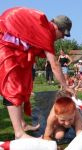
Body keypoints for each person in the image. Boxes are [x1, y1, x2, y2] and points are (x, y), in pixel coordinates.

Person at [0, 7, 75, 139]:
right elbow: (55, 65)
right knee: (13, 87)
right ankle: (19, 133)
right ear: (58, 28)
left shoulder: (43, 28)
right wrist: (65, 86)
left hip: (13, 45)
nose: (62, 38)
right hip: (5, 44)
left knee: (24, 85)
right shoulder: (46, 31)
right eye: (63, 35)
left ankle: (22, 125)